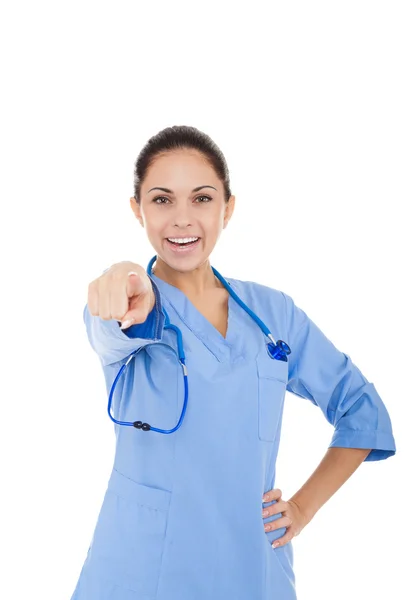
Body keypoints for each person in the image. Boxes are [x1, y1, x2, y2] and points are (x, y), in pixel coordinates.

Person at [70, 125, 396, 600]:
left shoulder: (272, 313)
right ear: (137, 209)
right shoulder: (133, 305)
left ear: (229, 207)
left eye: (201, 198)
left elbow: (361, 410)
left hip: (252, 570)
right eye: (162, 200)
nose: (182, 219)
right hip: (141, 571)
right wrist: (119, 278)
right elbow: (109, 321)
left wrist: (302, 509)